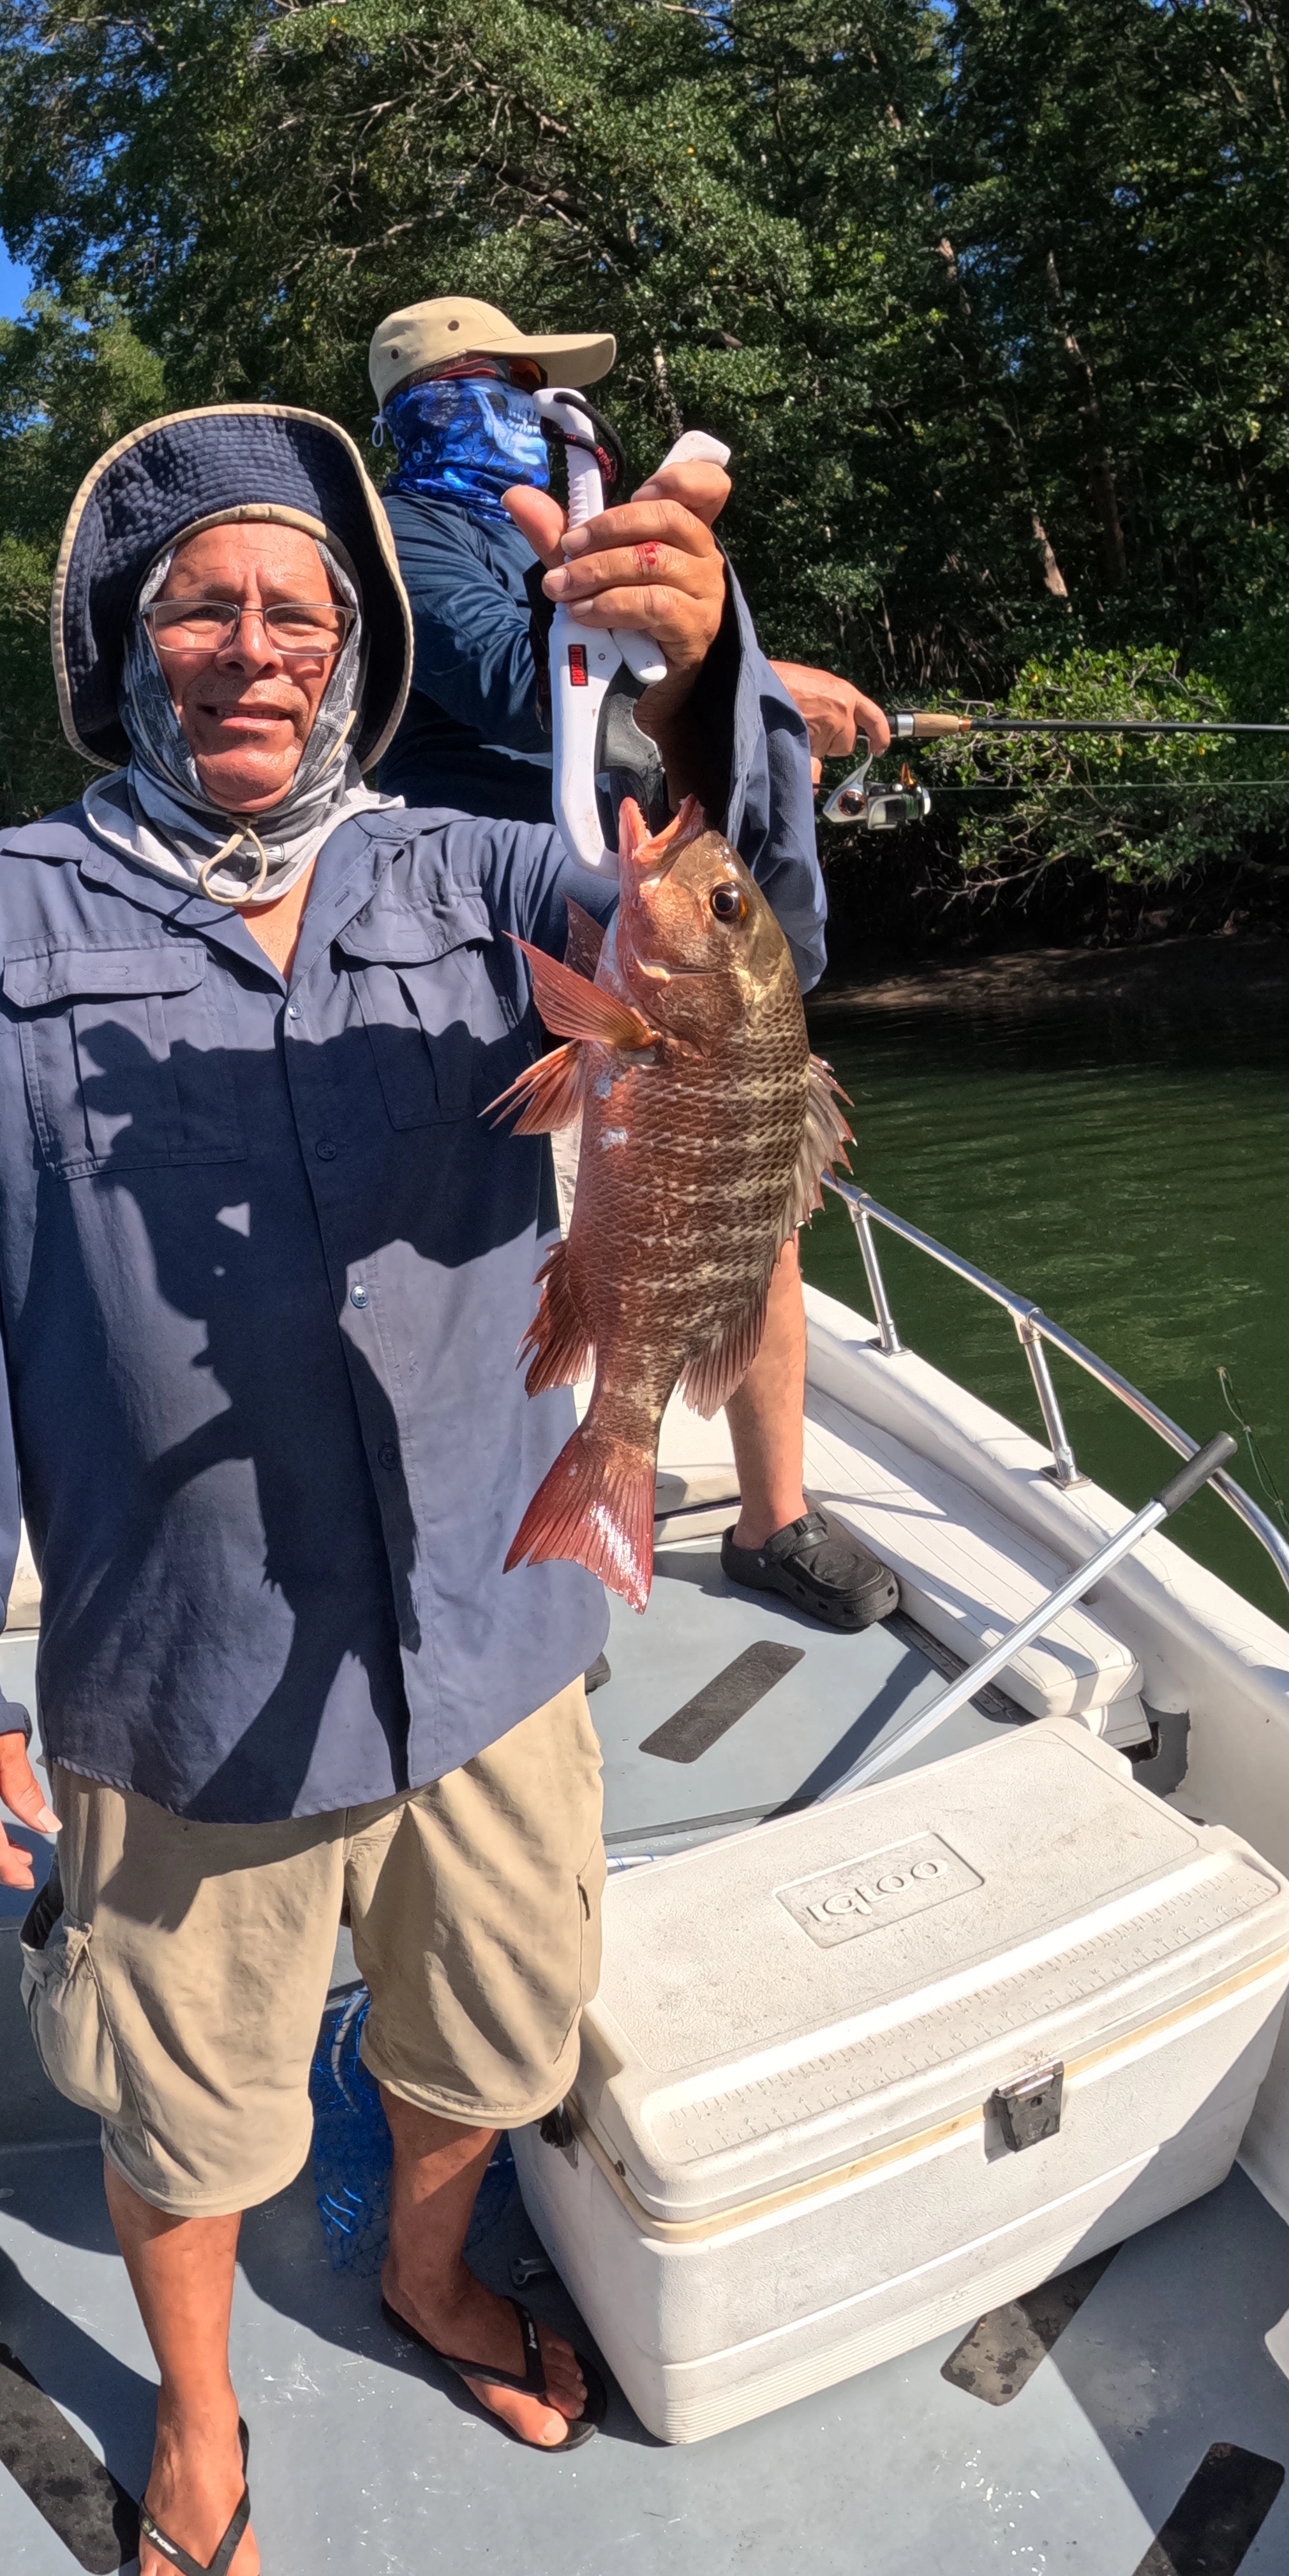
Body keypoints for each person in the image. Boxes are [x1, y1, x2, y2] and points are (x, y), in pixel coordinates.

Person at [0, 403, 827, 2576]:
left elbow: (741, 941)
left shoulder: (478, 872)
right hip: (182, 1678)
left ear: (362, 643)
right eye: (203, 600)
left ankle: (428, 2258)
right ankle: (197, 2416)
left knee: (489, 2032)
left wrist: (694, 676)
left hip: (498, 1616)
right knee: (181, 2101)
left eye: (300, 605)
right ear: (124, 634)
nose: (255, 644)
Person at [369, 293, 897, 1631]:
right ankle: (528, 1572)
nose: (543, 414)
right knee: (520, 1249)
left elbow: (647, 700)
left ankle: (774, 1518)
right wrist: (758, 686)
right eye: (515, 386)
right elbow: (519, 685)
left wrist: (746, 692)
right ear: (441, 396)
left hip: (647, 931)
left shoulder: (575, 545)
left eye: (547, 391)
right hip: (487, 952)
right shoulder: (396, 544)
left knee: (747, 1199)